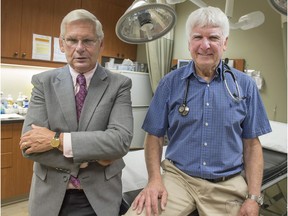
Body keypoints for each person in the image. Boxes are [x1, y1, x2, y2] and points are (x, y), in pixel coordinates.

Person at [125, 6, 271, 216]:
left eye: (213, 37)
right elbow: (154, 136)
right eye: (197, 37)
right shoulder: (169, 83)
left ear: (225, 43)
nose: (205, 45)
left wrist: (254, 197)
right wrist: (155, 179)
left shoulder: (245, 86)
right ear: (189, 43)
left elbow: (252, 145)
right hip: (179, 178)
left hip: (226, 184)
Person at [19, 9, 133, 216]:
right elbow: (29, 146)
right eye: (72, 40)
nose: (80, 48)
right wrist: (94, 155)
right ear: (62, 44)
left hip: (100, 198)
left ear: (101, 43)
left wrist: (55, 140)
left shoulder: (119, 85)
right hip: (50, 198)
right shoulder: (43, 83)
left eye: (88, 41)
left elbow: (120, 141)